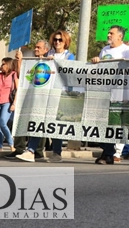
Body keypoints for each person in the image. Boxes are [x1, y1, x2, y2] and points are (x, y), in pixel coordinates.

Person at [17, 31, 76, 163]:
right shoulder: (48, 54)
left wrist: (56, 62)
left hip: (59, 94)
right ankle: (31, 150)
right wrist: (21, 60)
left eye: (60, 40)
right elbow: (33, 72)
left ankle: (56, 153)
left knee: (54, 125)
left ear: (65, 41)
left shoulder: (69, 56)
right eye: (55, 39)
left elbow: (70, 73)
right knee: (38, 122)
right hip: (44, 94)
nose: (57, 42)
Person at [92, 25, 129, 165]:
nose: (108, 35)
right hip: (105, 92)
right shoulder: (104, 50)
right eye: (108, 33)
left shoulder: (126, 51)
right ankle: (107, 152)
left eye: (111, 33)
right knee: (103, 124)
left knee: (113, 124)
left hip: (119, 93)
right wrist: (96, 61)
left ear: (120, 36)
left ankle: (109, 154)